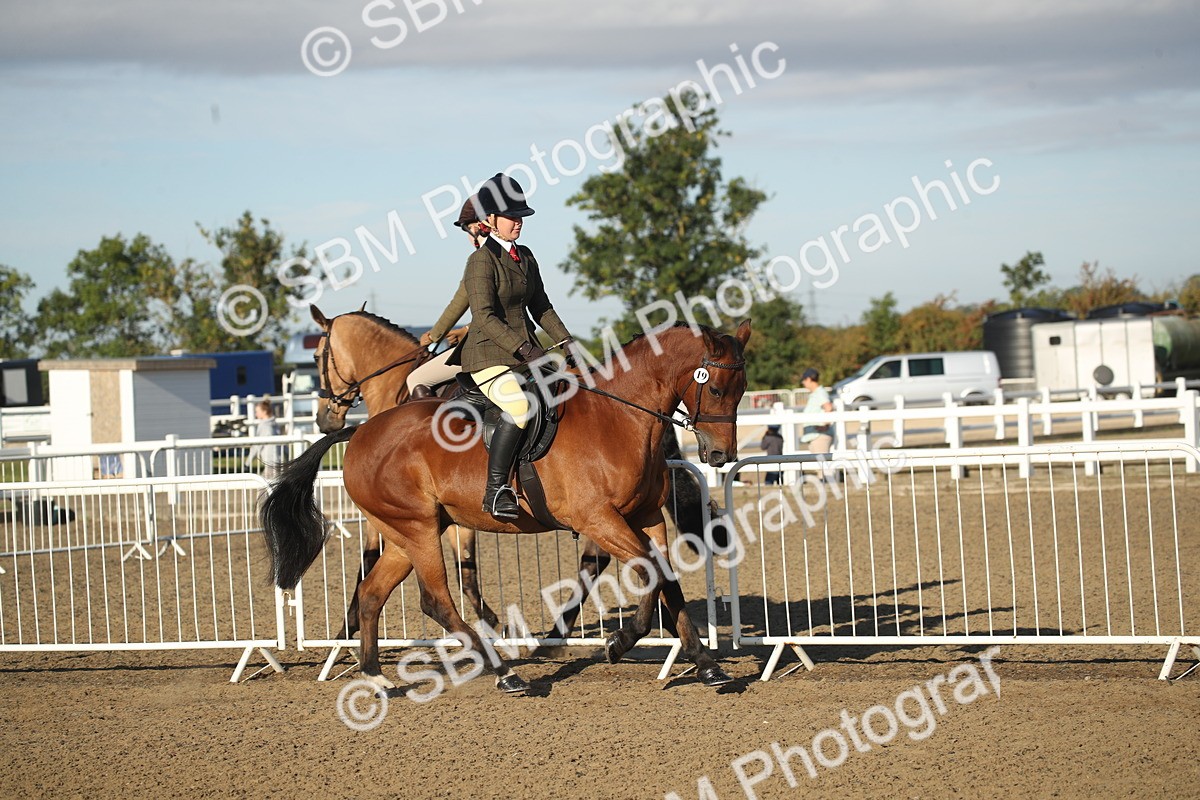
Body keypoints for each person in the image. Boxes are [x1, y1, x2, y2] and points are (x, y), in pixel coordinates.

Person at [455, 172, 572, 520]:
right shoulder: (480, 261)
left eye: (521, 216)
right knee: (519, 407)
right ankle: (495, 491)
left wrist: (567, 341)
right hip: (488, 356)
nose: (518, 222)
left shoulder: (526, 257)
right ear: (489, 220)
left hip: (524, 354)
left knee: (569, 390)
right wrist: (525, 349)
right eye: (511, 216)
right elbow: (486, 317)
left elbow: (541, 307)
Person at [405, 198, 486, 399]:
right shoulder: (520, 255)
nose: (468, 238)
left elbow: (459, 302)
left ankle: (436, 429)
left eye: (466, 231)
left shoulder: (478, 260)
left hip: (486, 348)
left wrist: (434, 335)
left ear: (476, 227)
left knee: (415, 379)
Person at [799, 367, 834, 455]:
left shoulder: (819, 393)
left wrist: (825, 424)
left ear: (809, 379)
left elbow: (828, 407)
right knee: (820, 466)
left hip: (819, 435)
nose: (803, 383)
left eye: (804, 380)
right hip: (815, 435)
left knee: (823, 466)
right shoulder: (816, 393)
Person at [246, 398, 281, 480]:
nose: (256, 414)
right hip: (277, 461)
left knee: (263, 490)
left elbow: (258, 445)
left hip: (271, 462)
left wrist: (247, 462)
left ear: (264, 412)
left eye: (257, 411)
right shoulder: (274, 425)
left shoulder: (265, 427)